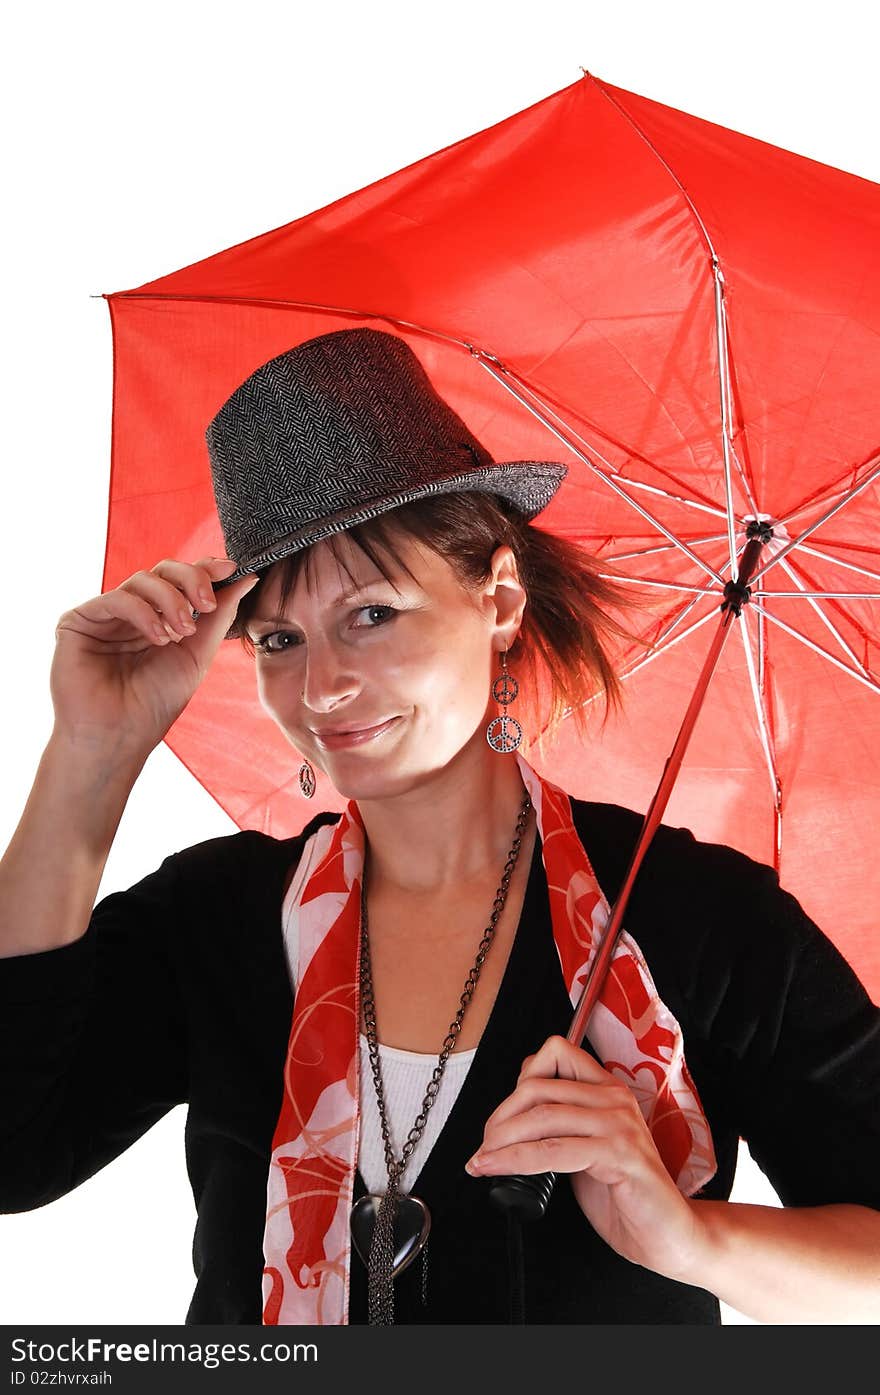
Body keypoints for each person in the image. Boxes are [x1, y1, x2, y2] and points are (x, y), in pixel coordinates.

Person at [1, 328, 879, 1328]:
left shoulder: (700, 921)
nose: (322, 686)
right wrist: (93, 753)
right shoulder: (216, 916)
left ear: (497, 596)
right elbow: (13, 1154)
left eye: (372, 614)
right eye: (279, 639)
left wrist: (683, 1238)